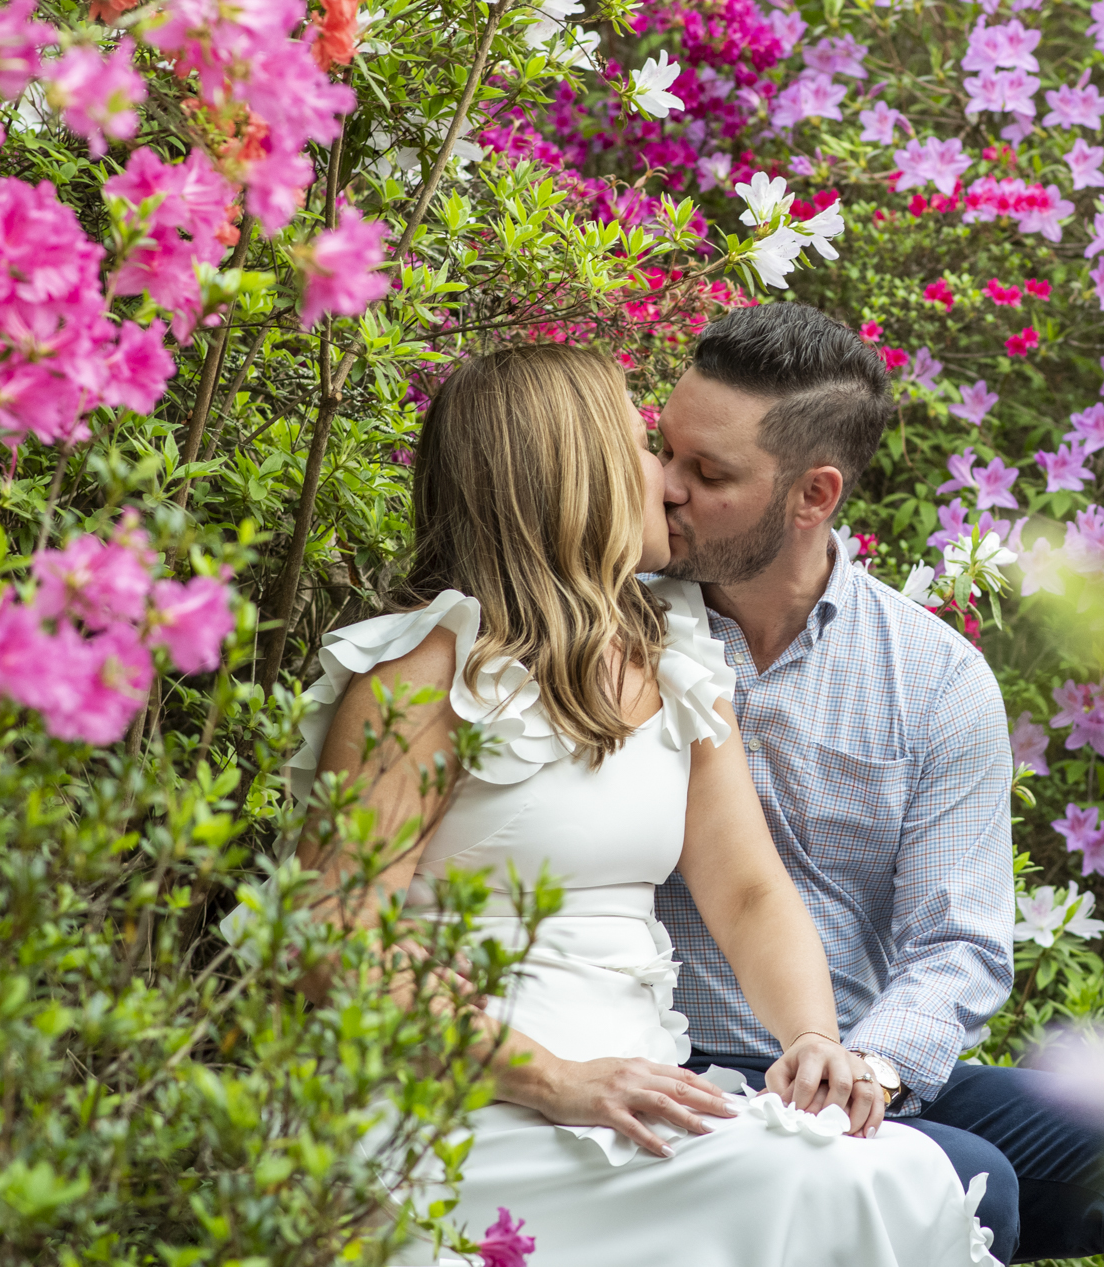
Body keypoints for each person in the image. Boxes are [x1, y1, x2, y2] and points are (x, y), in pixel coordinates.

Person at [257, 344, 1000, 1266]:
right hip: (464, 1100)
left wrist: (812, 1038)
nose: (667, 479)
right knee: (863, 1184)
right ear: (575, 477)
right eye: (646, 445)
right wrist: (555, 1079)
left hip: (637, 1091)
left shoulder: (677, 654)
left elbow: (749, 891)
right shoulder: (421, 677)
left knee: (891, 1175)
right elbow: (328, 942)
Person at [651, 303, 1104, 1267]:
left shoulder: (934, 676)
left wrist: (869, 1066)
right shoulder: (616, 632)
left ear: (814, 495)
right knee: (973, 1175)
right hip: (679, 1056)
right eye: (664, 449)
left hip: (870, 1069)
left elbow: (959, 941)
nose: (666, 489)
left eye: (708, 473)